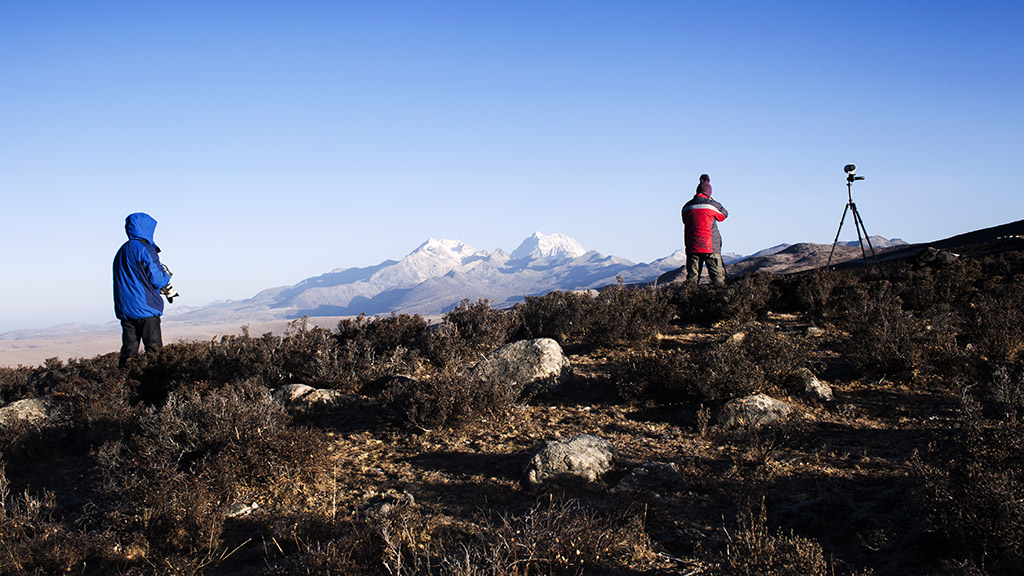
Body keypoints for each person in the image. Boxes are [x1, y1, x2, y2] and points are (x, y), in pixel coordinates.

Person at [113, 212, 173, 367]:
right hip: (146, 308)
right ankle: (155, 385)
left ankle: (123, 384)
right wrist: (167, 277)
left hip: (126, 309)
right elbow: (157, 278)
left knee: (128, 352)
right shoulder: (145, 248)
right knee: (154, 351)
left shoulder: (121, 251)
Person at [682, 174, 729, 286]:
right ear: (709, 193)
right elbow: (724, 215)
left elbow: (684, 220)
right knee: (717, 278)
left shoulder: (686, 207)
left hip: (692, 247)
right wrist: (714, 201)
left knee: (692, 280)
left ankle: (688, 301)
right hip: (710, 247)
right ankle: (721, 300)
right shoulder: (712, 205)